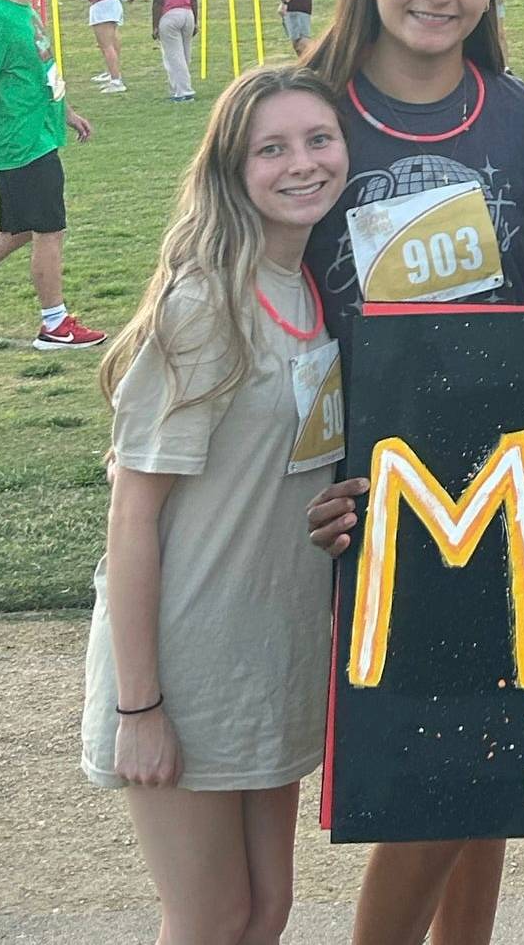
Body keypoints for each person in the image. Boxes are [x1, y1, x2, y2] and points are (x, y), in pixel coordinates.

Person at [300, 0, 524, 945]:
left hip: (497, 475)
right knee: (425, 761)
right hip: (354, 483)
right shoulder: (304, 107)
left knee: (491, 750)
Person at [82, 64, 349, 945]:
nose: (302, 163)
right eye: (272, 148)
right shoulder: (203, 306)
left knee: (266, 909)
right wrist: (140, 707)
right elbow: (133, 515)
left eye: (318, 139)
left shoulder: (308, 288)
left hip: (269, 654)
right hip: (183, 664)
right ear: (232, 170)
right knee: (209, 918)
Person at [0, 0, 104, 349]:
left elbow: (43, 71)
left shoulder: (27, 13)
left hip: (40, 134)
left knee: (17, 230)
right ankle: (54, 325)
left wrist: (67, 112)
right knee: (49, 230)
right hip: (21, 143)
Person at [151, 0, 198, 102]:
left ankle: (184, 91)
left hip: (169, 16)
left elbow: (158, 1)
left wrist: (155, 25)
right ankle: (178, 87)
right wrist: (196, 20)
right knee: (184, 54)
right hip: (187, 13)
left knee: (173, 56)